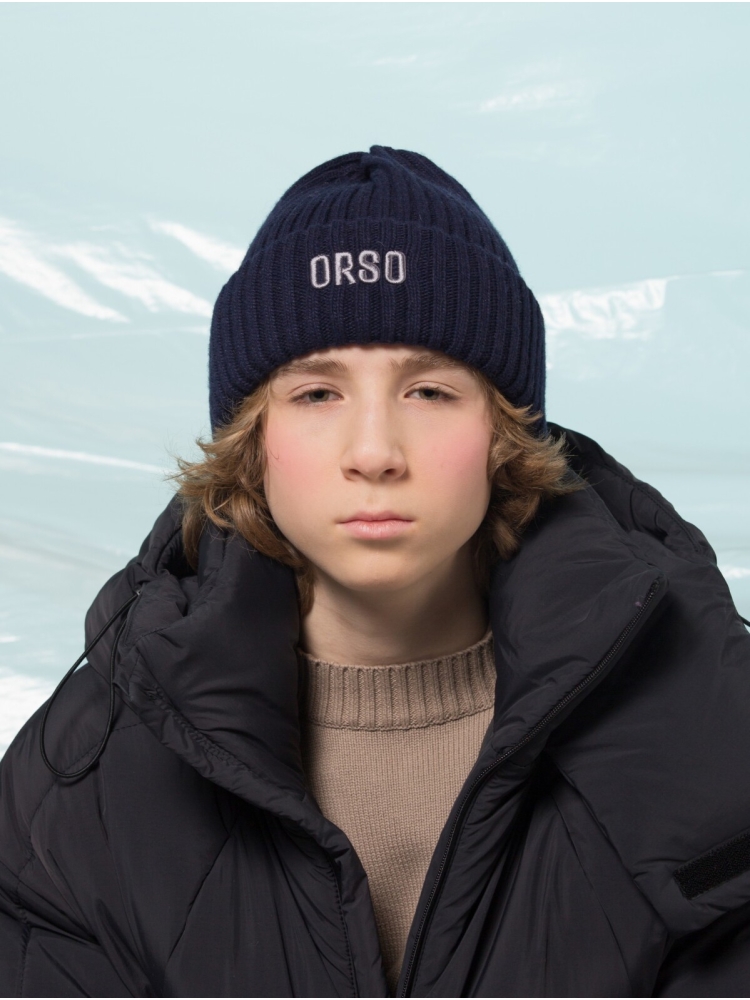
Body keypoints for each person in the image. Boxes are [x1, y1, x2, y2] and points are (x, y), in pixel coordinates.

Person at [1, 146, 749, 999]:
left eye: (429, 392)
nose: (374, 452)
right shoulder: (85, 772)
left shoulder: (706, 717)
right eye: (317, 394)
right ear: (253, 440)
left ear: (505, 431)